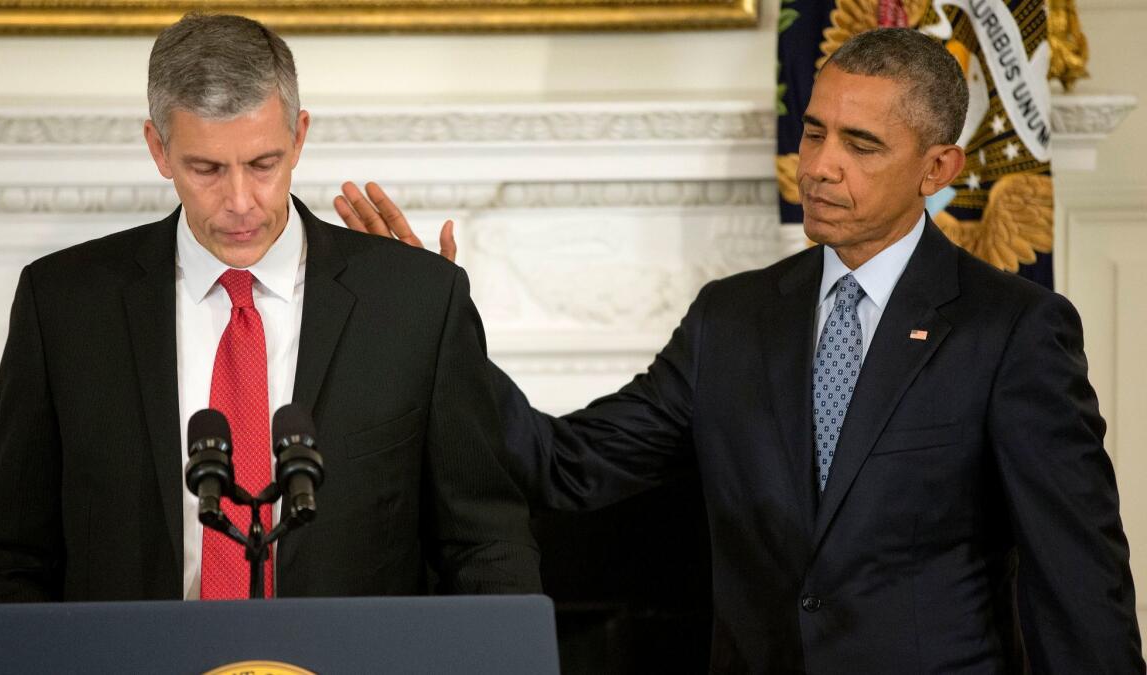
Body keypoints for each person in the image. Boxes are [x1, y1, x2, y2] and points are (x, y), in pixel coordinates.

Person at [337, 28, 1143, 673]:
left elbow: (1076, 579)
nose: (821, 165)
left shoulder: (1013, 330)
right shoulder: (734, 316)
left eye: (862, 146)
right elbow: (567, 464)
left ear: (939, 168)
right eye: (816, 130)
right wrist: (440, 325)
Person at [0, 13, 539, 603]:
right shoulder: (63, 306)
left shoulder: (418, 301)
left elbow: (486, 544)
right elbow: (8, 557)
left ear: (299, 137)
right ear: (159, 149)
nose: (240, 202)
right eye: (206, 168)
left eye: (263, 164)